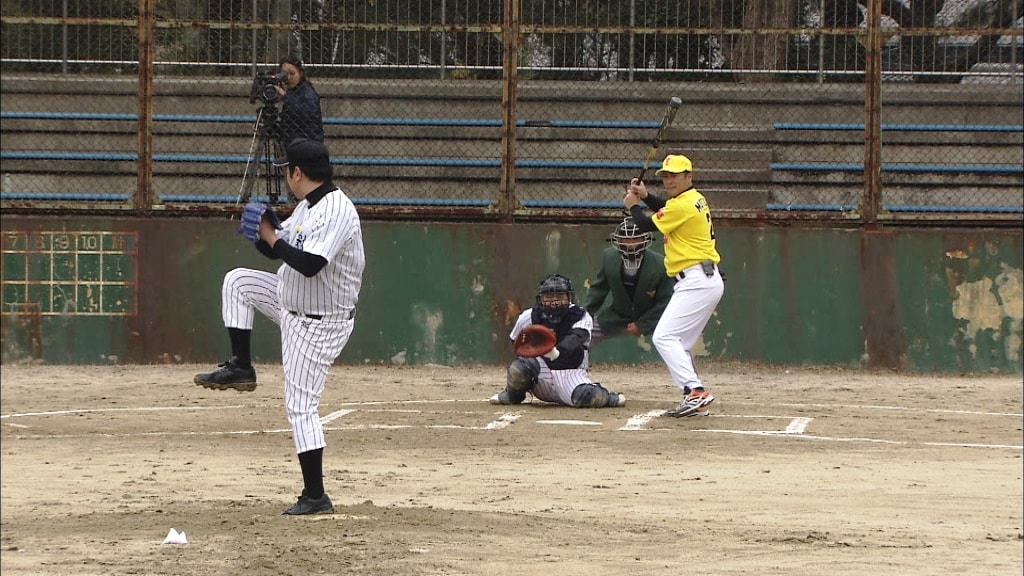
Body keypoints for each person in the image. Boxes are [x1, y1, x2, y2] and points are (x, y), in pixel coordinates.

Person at [194, 138, 364, 515]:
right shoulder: (307, 205)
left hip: (319, 323)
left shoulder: (337, 209)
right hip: (292, 304)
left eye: (287, 169)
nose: (286, 176)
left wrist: (272, 237)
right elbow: (281, 248)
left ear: (298, 172)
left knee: (301, 407)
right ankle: (241, 366)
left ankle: (316, 496)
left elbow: (310, 264)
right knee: (238, 282)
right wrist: (265, 235)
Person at [623, 154, 724, 417]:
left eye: (675, 176)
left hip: (696, 280)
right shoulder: (692, 198)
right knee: (679, 342)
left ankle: (695, 391)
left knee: (664, 337)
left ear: (689, 176)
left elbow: (646, 224)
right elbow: (666, 208)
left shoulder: (682, 205)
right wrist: (645, 196)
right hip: (702, 279)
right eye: (666, 176)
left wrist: (633, 205)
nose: (669, 181)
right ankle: (695, 399)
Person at [489, 274, 627, 409]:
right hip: (540, 374)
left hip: (571, 373)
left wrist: (556, 351)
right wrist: (529, 352)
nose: (554, 302)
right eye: (549, 297)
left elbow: (577, 338)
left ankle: (608, 397)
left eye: (560, 296)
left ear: (569, 297)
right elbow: (515, 341)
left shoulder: (580, 315)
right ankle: (513, 395)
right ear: (540, 299)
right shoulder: (529, 316)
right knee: (519, 368)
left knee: (589, 397)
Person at [581, 217, 675, 347]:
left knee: (675, 338)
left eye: (636, 239)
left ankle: (685, 367)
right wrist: (584, 315)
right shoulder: (609, 257)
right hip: (618, 316)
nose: (631, 244)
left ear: (645, 239)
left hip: (653, 317)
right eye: (626, 239)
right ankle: (572, 367)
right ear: (618, 240)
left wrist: (642, 325)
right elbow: (599, 289)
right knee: (581, 335)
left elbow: (666, 301)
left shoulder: (661, 264)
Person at [272, 55, 324, 147]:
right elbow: (288, 124)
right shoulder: (291, 92)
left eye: (292, 73)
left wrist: (285, 97)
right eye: (284, 74)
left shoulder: (308, 93)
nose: (288, 78)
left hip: (308, 146)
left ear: (300, 73)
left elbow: (305, 114)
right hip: (292, 144)